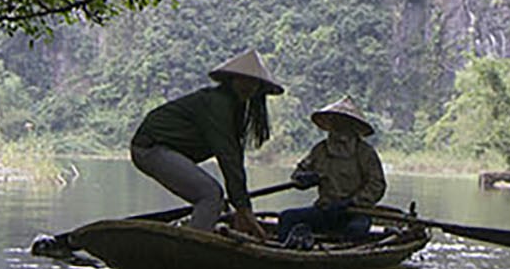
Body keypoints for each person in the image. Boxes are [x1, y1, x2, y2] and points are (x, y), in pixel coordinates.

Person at [128, 51, 284, 237]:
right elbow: (228, 155)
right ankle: (193, 247)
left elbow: (234, 154)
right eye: (243, 80)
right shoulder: (218, 103)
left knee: (216, 202)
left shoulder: (235, 108)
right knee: (210, 195)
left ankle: (199, 234)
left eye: (253, 82)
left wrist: (241, 204)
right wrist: (243, 207)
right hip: (151, 147)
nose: (248, 87)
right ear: (231, 80)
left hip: (166, 149)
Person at [276, 99, 387, 245]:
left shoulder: (365, 153)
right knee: (287, 217)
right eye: (336, 122)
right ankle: (286, 251)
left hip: (354, 213)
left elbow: (377, 185)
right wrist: (304, 178)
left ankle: (344, 256)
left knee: (356, 230)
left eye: (344, 123)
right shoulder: (320, 150)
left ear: (353, 127)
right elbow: (298, 174)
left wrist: (351, 202)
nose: (339, 127)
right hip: (325, 209)